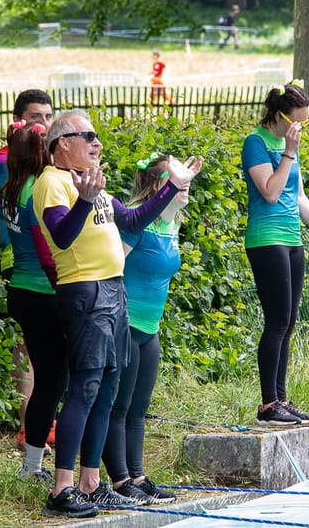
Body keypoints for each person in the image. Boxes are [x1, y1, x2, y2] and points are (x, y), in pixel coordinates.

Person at [33, 109, 198, 518]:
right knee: (85, 389)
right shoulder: (52, 182)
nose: (97, 143)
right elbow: (61, 235)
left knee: (107, 389)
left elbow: (136, 219)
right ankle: (62, 488)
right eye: (87, 135)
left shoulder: (92, 184)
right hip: (84, 292)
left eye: (96, 136)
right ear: (62, 144)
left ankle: (91, 482)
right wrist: (85, 201)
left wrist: (172, 186)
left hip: (113, 291)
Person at [102, 153, 202, 505]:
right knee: (119, 405)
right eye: (178, 178)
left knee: (139, 407)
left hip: (150, 328)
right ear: (161, 186)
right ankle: (119, 480)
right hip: (126, 325)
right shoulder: (136, 223)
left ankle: (138, 476)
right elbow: (112, 268)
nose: (186, 183)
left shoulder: (172, 223)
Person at [241, 79, 309, 426]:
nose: (300, 128)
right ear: (278, 116)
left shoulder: (288, 142)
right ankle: (267, 404)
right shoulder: (256, 143)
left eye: (305, 121)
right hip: (266, 238)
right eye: (297, 121)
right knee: (276, 321)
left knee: (289, 323)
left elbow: (298, 195)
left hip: (292, 238)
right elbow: (272, 193)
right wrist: (288, 153)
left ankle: (282, 398)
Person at [0, 89, 55, 451]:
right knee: (28, 350)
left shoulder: (44, 167)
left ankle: (44, 422)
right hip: (20, 260)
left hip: (38, 263)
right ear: (17, 122)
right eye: (35, 119)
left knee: (43, 352)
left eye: (48, 117)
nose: (43, 125)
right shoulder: (5, 162)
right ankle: (29, 427)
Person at [2, 119, 68, 480]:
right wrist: (65, 288)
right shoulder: (36, 190)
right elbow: (46, 251)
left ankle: (35, 461)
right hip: (44, 293)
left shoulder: (13, 188)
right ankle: (35, 466)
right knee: (53, 383)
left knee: (48, 380)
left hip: (22, 291)